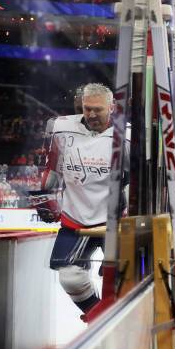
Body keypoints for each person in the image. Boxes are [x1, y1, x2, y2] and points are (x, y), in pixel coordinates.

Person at [29, 83, 128, 317]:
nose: (92, 114)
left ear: (111, 108)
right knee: (70, 278)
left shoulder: (127, 136)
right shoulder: (61, 128)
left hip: (114, 221)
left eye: (98, 109)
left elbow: (134, 179)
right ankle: (98, 318)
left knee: (124, 278)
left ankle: (122, 320)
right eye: (87, 109)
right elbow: (52, 168)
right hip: (75, 217)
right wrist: (44, 195)